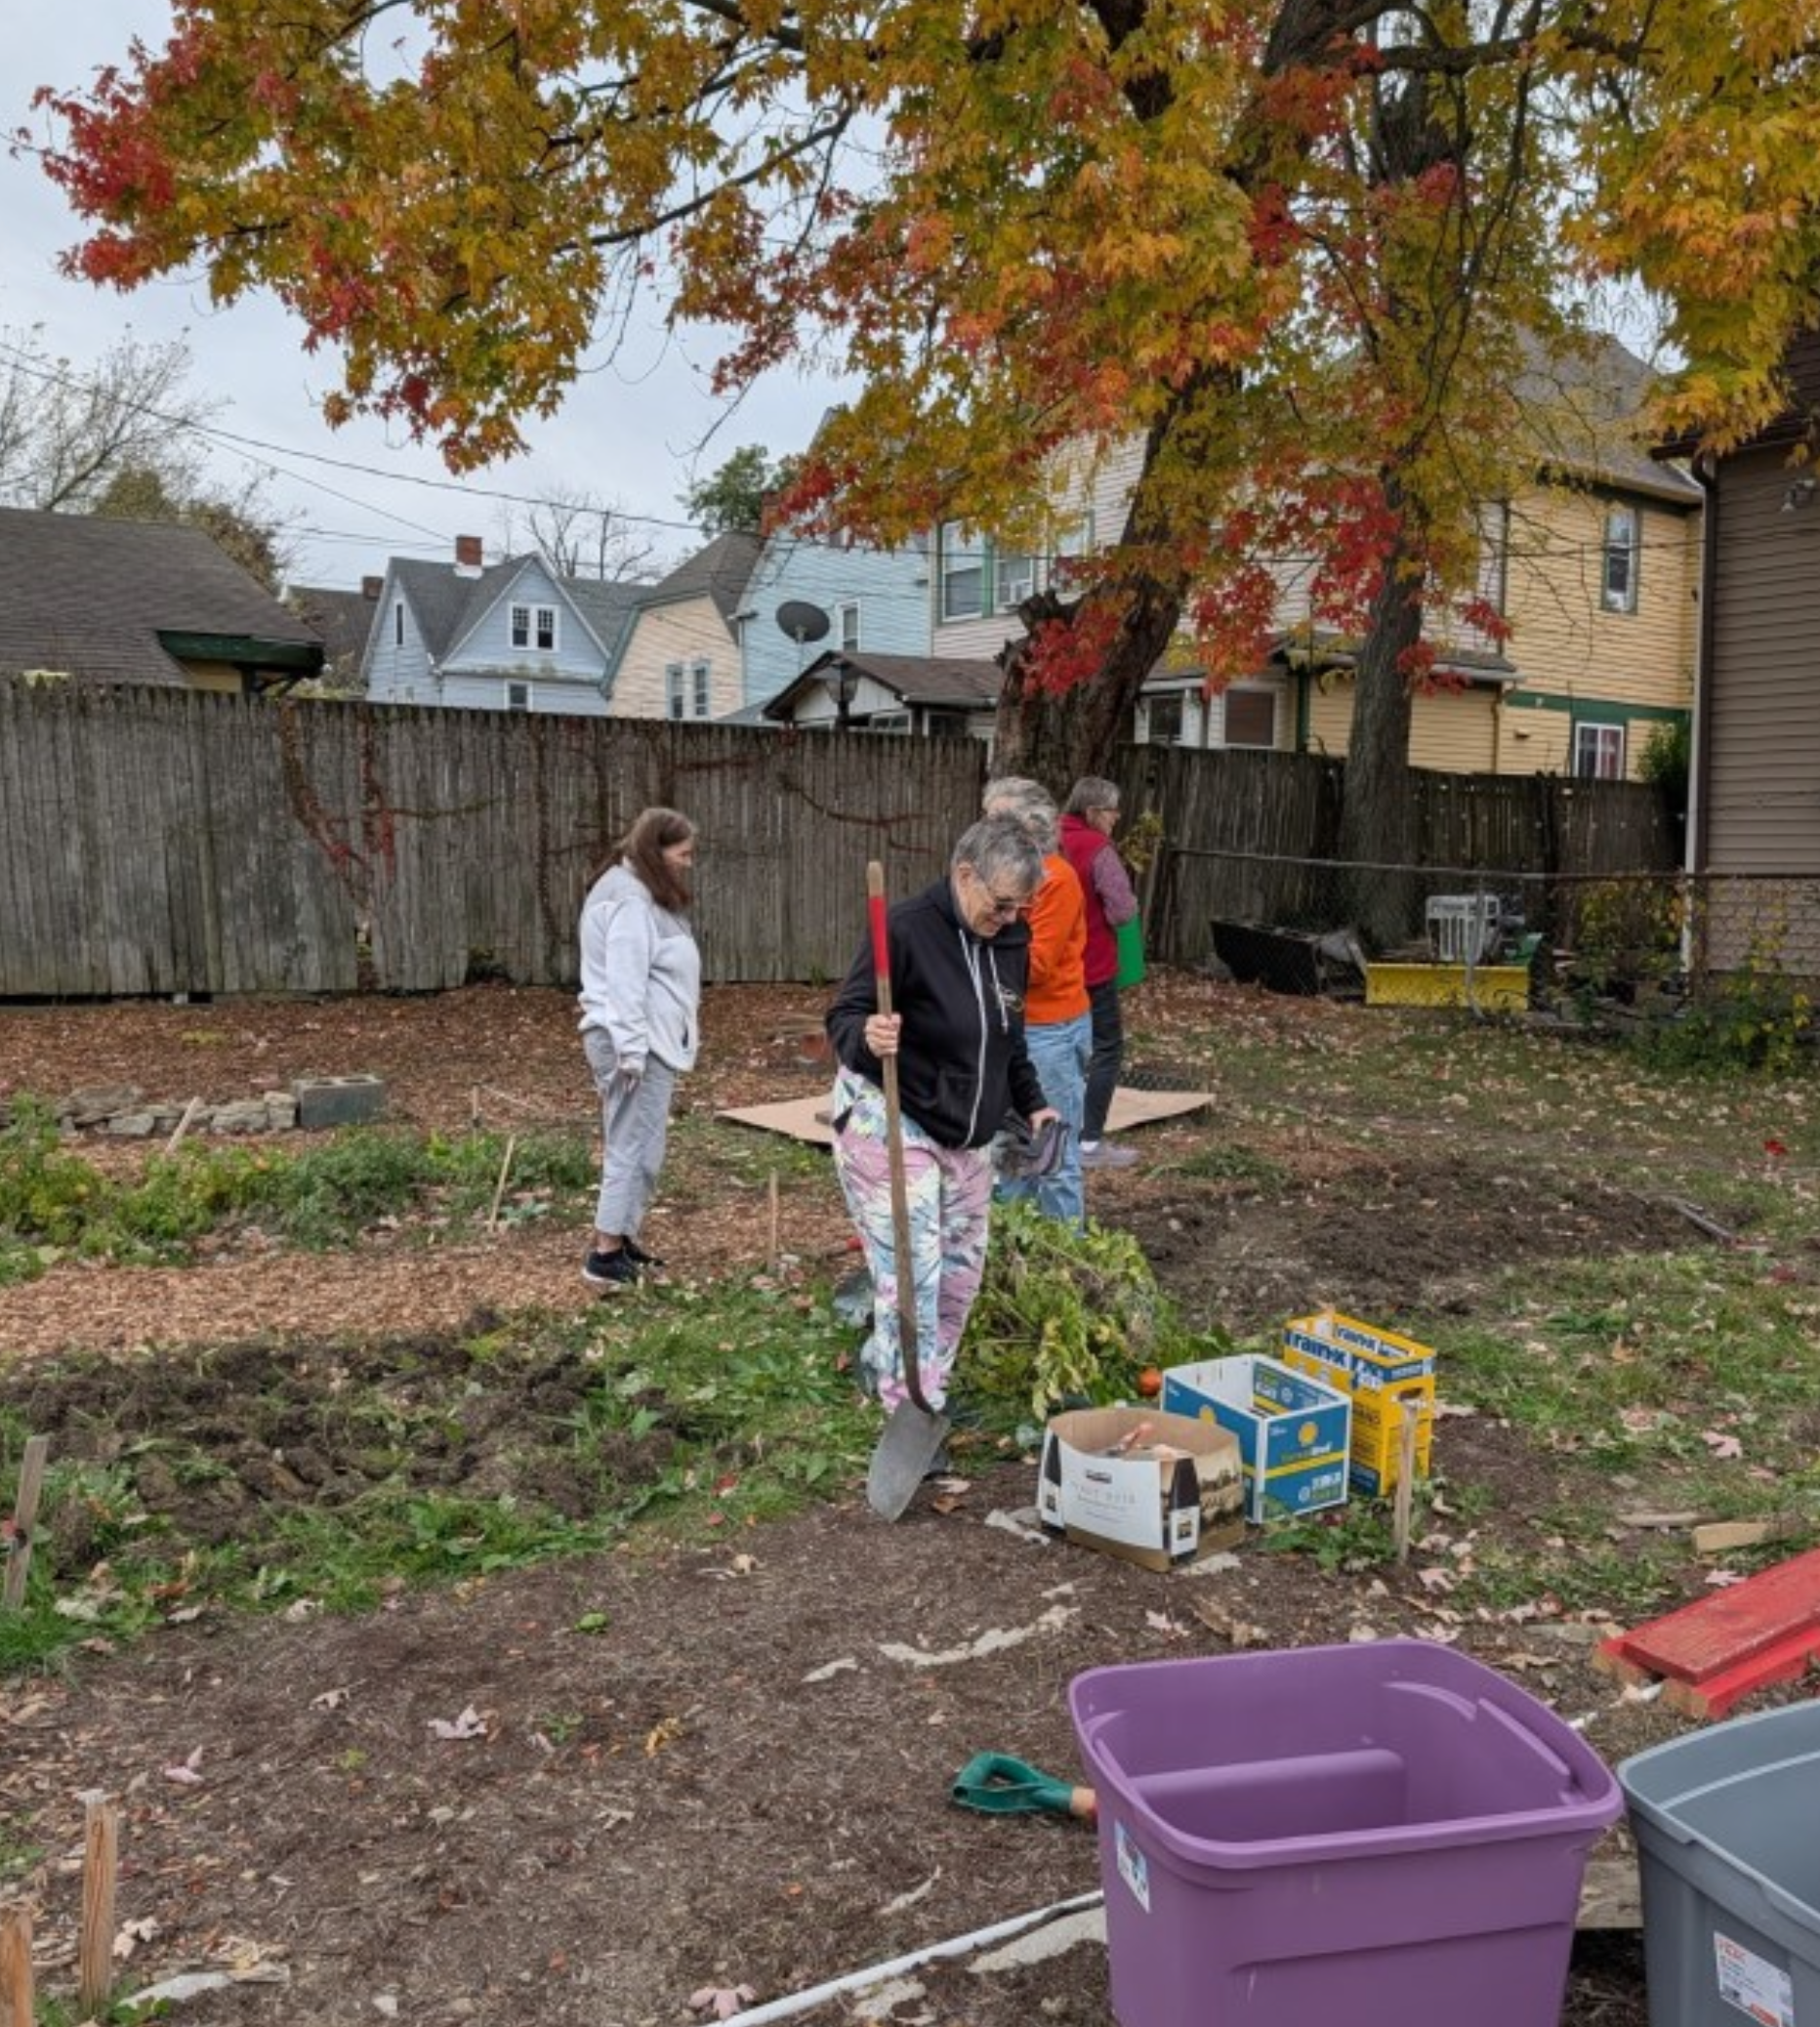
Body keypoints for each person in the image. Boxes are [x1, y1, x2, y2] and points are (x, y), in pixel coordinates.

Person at [826, 816, 1058, 1413]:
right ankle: (908, 1405)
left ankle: (929, 1382)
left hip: (966, 1132)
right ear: (964, 875)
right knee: (914, 1272)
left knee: (959, 1276)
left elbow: (1010, 1038)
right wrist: (868, 1035)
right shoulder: (907, 929)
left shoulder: (1011, 939)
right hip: (891, 1116)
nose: (1010, 919)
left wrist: (1034, 1104)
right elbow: (845, 1017)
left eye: (1020, 908)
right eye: (1002, 904)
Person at [576, 807, 701, 1290]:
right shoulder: (628, 900)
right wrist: (630, 1051)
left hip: (644, 1041)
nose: (687, 863)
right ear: (656, 850)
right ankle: (605, 1255)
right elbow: (625, 981)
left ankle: (621, 1238)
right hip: (636, 1044)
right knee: (633, 1145)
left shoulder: (633, 892)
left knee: (642, 1144)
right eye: (682, 854)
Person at [981, 776, 1091, 1226]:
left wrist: (978, 957)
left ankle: (1071, 1266)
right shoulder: (998, 876)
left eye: (998, 822)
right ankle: (1015, 1259)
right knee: (1008, 1151)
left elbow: (1037, 966)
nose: (987, 832)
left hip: (1049, 1031)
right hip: (1011, 1026)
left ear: (1034, 826)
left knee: (1052, 1155)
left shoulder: (1056, 880)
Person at [1059, 776, 1140, 1169]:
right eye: (1112, 811)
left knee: (1059, 1048)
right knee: (1106, 1049)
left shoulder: (1047, 838)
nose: (1117, 818)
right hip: (1092, 966)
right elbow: (1122, 910)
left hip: (1049, 967)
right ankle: (1088, 1142)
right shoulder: (1098, 849)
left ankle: (1049, 1136)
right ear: (1093, 812)